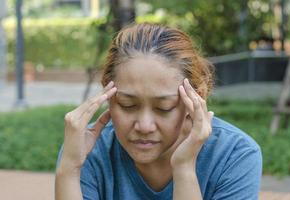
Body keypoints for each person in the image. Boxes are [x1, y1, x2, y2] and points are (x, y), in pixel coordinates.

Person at [55, 23, 262, 200]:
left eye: (164, 107)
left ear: (197, 97)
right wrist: (69, 169)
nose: (144, 126)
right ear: (108, 95)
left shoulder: (234, 155)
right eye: (127, 104)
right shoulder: (86, 149)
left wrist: (184, 168)